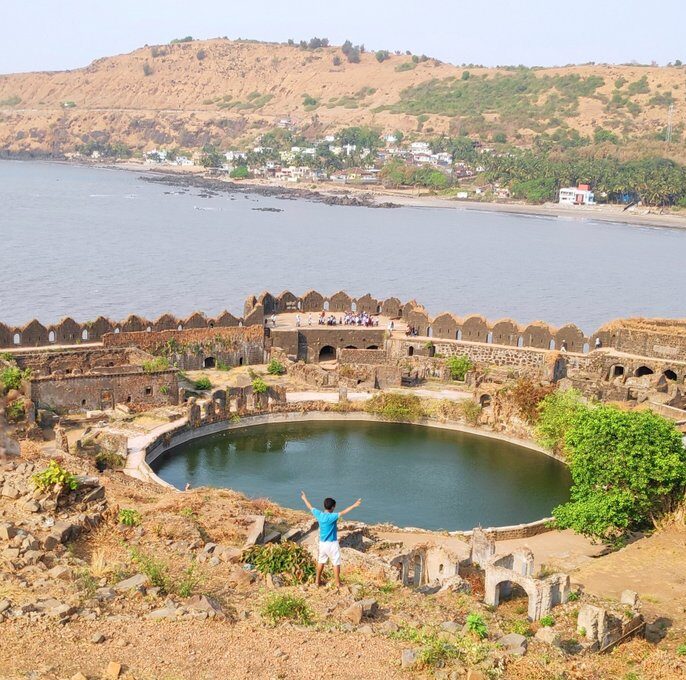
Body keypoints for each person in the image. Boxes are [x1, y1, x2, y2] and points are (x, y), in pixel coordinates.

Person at [300, 491, 362, 588]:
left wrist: (304, 498)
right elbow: (345, 511)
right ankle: (337, 583)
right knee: (336, 563)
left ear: (324, 506)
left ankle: (317, 582)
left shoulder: (319, 515)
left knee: (321, 562)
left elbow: (310, 506)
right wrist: (354, 505)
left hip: (322, 543)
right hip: (332, 543)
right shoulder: (333, 516)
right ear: (332, 507)